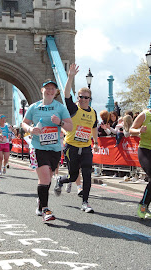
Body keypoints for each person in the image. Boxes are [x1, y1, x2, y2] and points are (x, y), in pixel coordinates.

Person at [22, 80, 73, 222]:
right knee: (44, 177)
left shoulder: (60, 107)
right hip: (38, 147)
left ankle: (40, 202)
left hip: (55, 148)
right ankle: (46, 209)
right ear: (42, 90)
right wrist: (31, 129)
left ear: (56, 92)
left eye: (53, 89)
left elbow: (70, 127)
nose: (50, 91)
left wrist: (60, 123)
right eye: (47, 88)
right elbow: (24, 123)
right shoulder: (34, 107)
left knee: (48, 178)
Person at [54, 64, 99, 213]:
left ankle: (85, 202)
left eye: (86, 98)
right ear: (78, 98)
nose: (84, 100)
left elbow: (93, 127)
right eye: (81, 97)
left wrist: (96, 142)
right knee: (73, 176)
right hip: (71, 147)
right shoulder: (73, 108)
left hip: (86, 148)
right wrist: (70, 77)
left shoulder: (93, 112)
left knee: (87, 174)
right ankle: (61, 180)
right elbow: (66, 95)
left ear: (90, 99)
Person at [129, 89, 151, 219]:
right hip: (145, 150)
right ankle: (142, 207)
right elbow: (130, 130)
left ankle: (146, 206)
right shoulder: (145, 115)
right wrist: (139, 131)